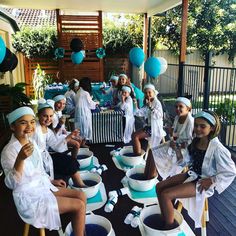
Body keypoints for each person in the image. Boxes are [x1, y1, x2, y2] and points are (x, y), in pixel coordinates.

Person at [1, 107, 86, 236]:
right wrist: (20, 159)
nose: (29, 126)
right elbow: (12, 184)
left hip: (42, 187)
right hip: (29, 198)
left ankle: (78, 229)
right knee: (79, 206)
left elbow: (39, 171)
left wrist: (51, 180)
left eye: (32, 122)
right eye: (23, 122)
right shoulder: (9, 151)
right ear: (13, 126)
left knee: (82, 196)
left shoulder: (32, 142)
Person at [156, 110, 236, 230]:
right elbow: (184, 161)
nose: (197, 129)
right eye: (196, 125)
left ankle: (168, 228)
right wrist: (177, 149)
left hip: (203, 182)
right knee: (159, 187)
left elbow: (230, 171)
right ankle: (166, 216)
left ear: (212, 128)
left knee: (166, 195)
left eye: (202, 126)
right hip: (192, 174)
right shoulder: (195, 142)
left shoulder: (218, 149)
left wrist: (212, 180)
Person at [34, 100, 85, 187]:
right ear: (38, 115)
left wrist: (69, 136)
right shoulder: (34, 129)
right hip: (37, 161)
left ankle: (80, 185)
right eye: (45, 116)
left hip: (46, 156)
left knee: (71, 161)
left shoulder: (47, 130)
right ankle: (80, 185)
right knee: (68, 163)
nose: (49, 119)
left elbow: (56, 146)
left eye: (50, 116)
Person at [146, 97, 194, 179]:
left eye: (181, 106)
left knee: (156, 156)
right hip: (174, 144)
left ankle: (150, 178)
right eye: (176, 107)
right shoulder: (177, 118)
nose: (177, 109)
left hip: (183, 149)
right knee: (151, 151)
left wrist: (177, 145)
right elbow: (175, 135)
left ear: (188, 109)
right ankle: (146, 175)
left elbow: (191, 141)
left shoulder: (191, 121)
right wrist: (171, 131)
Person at [132, 84, 166, 155]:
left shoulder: (157, 103)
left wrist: (151, 107)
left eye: (149, 92)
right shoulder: (149, 103)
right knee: (135, 136)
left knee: (135, 136)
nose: (147, 94)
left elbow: (159, 115)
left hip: (154, 128)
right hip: (149, 127)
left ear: (154, 92)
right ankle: (140, 152)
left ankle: (138, 155)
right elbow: (139, 113)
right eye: (146, 93)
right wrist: (135, 103)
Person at [74, 77, 99, 146]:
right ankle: (82, 144)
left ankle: (80, 143)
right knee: (85, 127)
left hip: (79, 113)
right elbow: (90, 104)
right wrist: (96, 103)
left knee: (80, 128)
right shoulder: (85, 93)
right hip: (84, 113)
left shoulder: (78, 92)